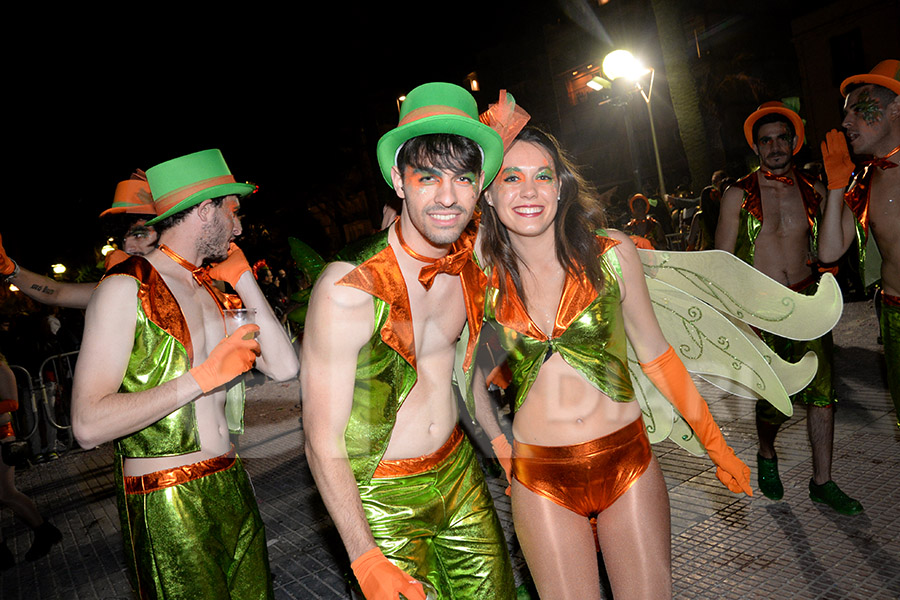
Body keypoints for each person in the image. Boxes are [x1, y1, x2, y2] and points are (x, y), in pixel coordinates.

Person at [478, 126, 751, 600]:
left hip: (629, 464)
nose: (528, 191)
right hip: (541, 480)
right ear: (488, 193)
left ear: (561, 186)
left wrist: (716, 443)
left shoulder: (611, 255)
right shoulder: (478, 276)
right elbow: (464, 378)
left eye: (542, 176)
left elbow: (657, 354)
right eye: (509, 177)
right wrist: (502, 450)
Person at [301, 82, 516, 600]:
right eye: (428, 177)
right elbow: (320, 440)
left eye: (464, 178)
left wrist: (502, 444)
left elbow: (465, 372)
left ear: (480, 185)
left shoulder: (471, 265)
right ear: (399, 180)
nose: (448, 197)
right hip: (381, 498)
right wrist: (363, 556)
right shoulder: (348, 289)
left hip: (460, 473)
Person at [71, 149, 299, 599]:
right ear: (204, 209)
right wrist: (203, 376)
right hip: (167, 496)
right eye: (232, 212)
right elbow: (87, 424)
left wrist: (244, 279)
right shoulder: (126, 288)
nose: (239, 227)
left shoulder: (210, 289)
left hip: (231, 481)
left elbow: (285, 366)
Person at [716, 101, 863, 515]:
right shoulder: (736, 195)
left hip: (806, 302)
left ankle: (823, 481)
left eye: (783, 138)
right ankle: (766, 451)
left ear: (795, 143)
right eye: (767, 140)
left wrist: (841, 187)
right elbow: (723, 260)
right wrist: (733, 319)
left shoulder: (813, 189)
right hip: (761, 312)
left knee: (822, 396)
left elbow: (843, 236)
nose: (775, 146)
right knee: (774, 402)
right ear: (757, 148)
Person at [818, 59, 900, 427]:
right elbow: (829, 251)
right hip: (894, 315)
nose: (846, 121)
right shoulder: (865, 181)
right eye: (845, 112)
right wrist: (837, 185)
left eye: (858, 109)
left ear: (896, 108)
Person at [0, 173, 158, 309]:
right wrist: (9, 268)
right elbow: (56, 293)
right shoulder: (123, 287)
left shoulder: (181, 283)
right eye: (123, 238)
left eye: (139, 234)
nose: (128, 247)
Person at [0, 350, 62, 569]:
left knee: (5, 493)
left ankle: (44, 531)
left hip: (2, 436)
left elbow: (12, 402)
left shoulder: (1, 366)